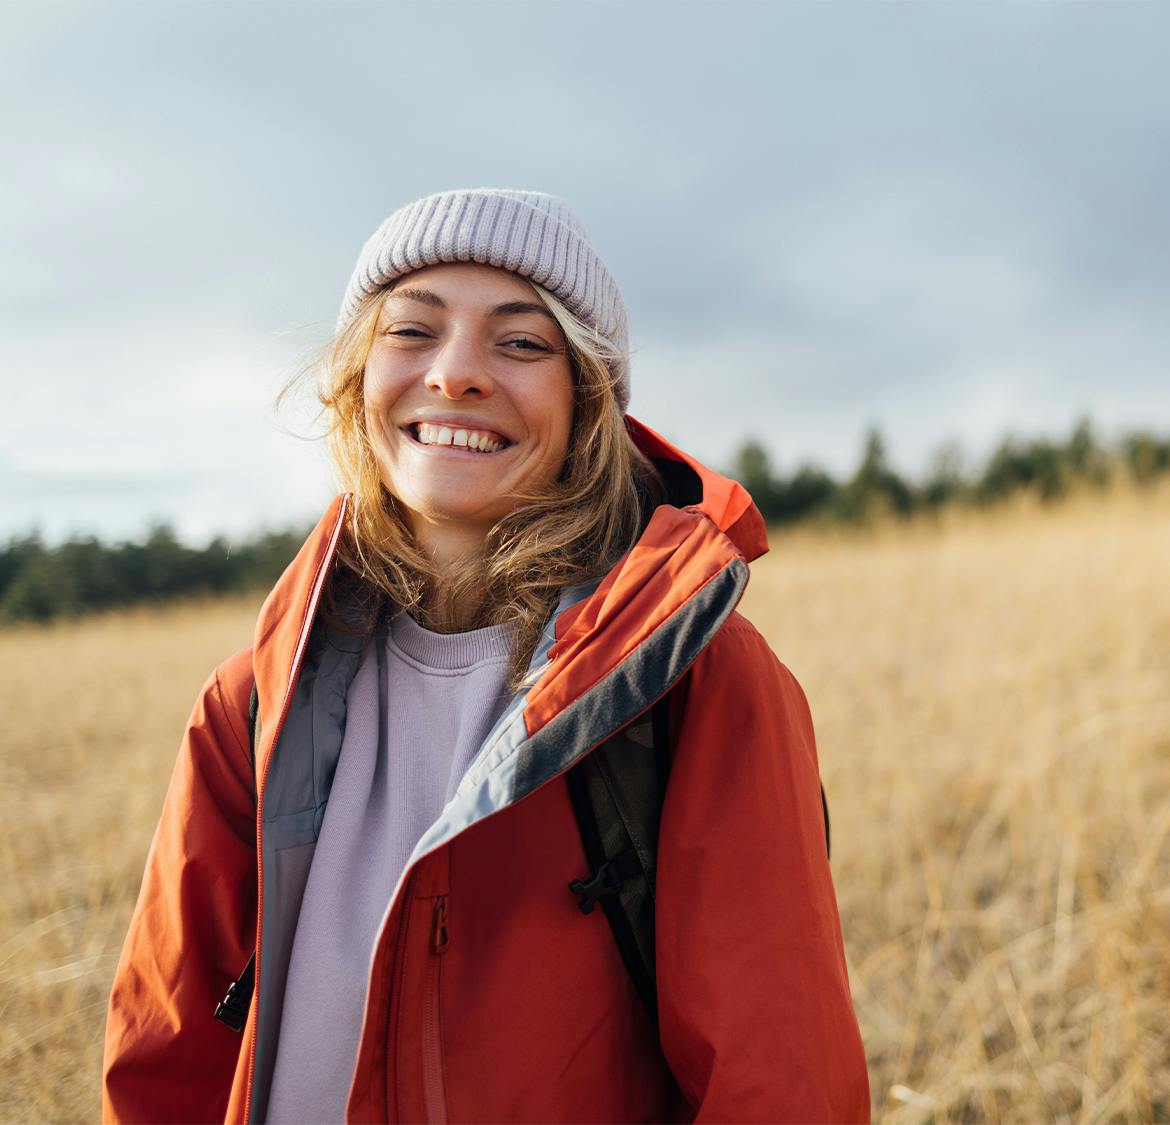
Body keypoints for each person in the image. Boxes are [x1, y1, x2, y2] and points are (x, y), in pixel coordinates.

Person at [102, 188, 870, 1123]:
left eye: (521, 342)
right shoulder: (251, 702)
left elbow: (782, 1085)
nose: (456, 374)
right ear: (356, 376)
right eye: (411, 330)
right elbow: (165, 1061)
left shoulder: (697, 681)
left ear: (587, 401)